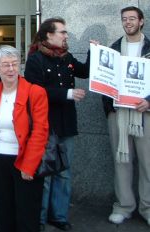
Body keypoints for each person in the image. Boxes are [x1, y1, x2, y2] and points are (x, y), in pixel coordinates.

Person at [24, 17, 91, 231]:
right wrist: (67, 93)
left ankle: (59, 216)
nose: (66, 35)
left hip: (67, 123)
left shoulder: (67, 57)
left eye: (65, 32)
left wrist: (94, 53)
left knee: (64, 172)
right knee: (45, 173)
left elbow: (85, 71)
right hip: (46, 124)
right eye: (62, 32)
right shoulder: (35, 60)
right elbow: (36, 91)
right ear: (48, 35)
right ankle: (40, 218)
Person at [0, 45, 48, 232]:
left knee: (27, 215)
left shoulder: (35, 92)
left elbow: (40, 131)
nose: (11, 69)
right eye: (5, 65)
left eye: (15, 64)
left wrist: (29, 165)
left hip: (25, 160)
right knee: (4, 213)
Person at [102, 6, 150, 226]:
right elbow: (104, 81)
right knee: (122, 160)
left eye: (132, 18)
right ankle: (123, 206)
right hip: (119, 113)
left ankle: (147, 208)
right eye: (124, 19)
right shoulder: (113, 49)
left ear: (141, 21)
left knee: (148, 163)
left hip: (145, 113)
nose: (128, 22)